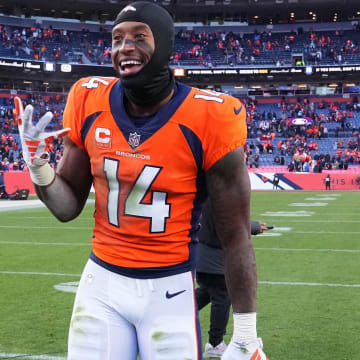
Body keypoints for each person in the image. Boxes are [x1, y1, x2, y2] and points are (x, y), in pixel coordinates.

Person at [14, 2, 268, 359]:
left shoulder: (211, 115)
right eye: (117, 38)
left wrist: (245, 333)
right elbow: (66, 206)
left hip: (170, 290)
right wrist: (39, 166)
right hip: (101, 284)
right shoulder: (89, 98)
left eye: (139, 37)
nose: (125, 47)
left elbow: (236, 237)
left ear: (163, 45)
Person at [196, 200, 272, 358]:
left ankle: (170, 317)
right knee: (221, 297)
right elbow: (225, 222)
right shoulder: (215, 194)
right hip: (214, 257)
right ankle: (215, 343)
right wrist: (253, 227)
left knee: (206, 292)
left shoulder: (204, 194)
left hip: (203, 255)